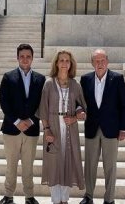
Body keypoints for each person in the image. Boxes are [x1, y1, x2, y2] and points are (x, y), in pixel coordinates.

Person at [79, 49, 125, 204]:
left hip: (112, 130)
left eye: (102, 60)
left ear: (107, 61)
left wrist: (123, 128)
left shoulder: (117, 79)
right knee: (90, 166)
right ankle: (88, 196)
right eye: (96, 60)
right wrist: (79, 110)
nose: (99, 63)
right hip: (92, 128)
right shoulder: (85, 79)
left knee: (110, 167)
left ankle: (109, 199)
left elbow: (124, 106)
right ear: (92, 63)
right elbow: (79, 102)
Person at [0, 43, 46, 204]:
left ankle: (29, 197)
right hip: (11, 129)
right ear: (17, 58)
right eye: (22, 56)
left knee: (28, 166)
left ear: (32, 58)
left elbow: (42, 103)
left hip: (31, 130)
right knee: (11, 165)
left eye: (28, 56)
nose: (25, 59)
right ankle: (8, 196)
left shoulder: (40, 79)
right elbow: (4, 102)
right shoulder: (8, 77)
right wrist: (17, 121)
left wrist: (31, 120)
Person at [39, 50, 87, 204]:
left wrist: (75, 117)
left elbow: (82, 107)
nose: (64, 63)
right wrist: (46, 130)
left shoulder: (75, 84)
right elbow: (43, 110)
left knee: (68, 163)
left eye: (67, 60)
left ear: (71, 64)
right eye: (61, 60)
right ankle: (56, 200)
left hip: (70, 129)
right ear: (56, 63)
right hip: (53, 126)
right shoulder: (48, 83)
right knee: (54, 163)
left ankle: (64, 200)